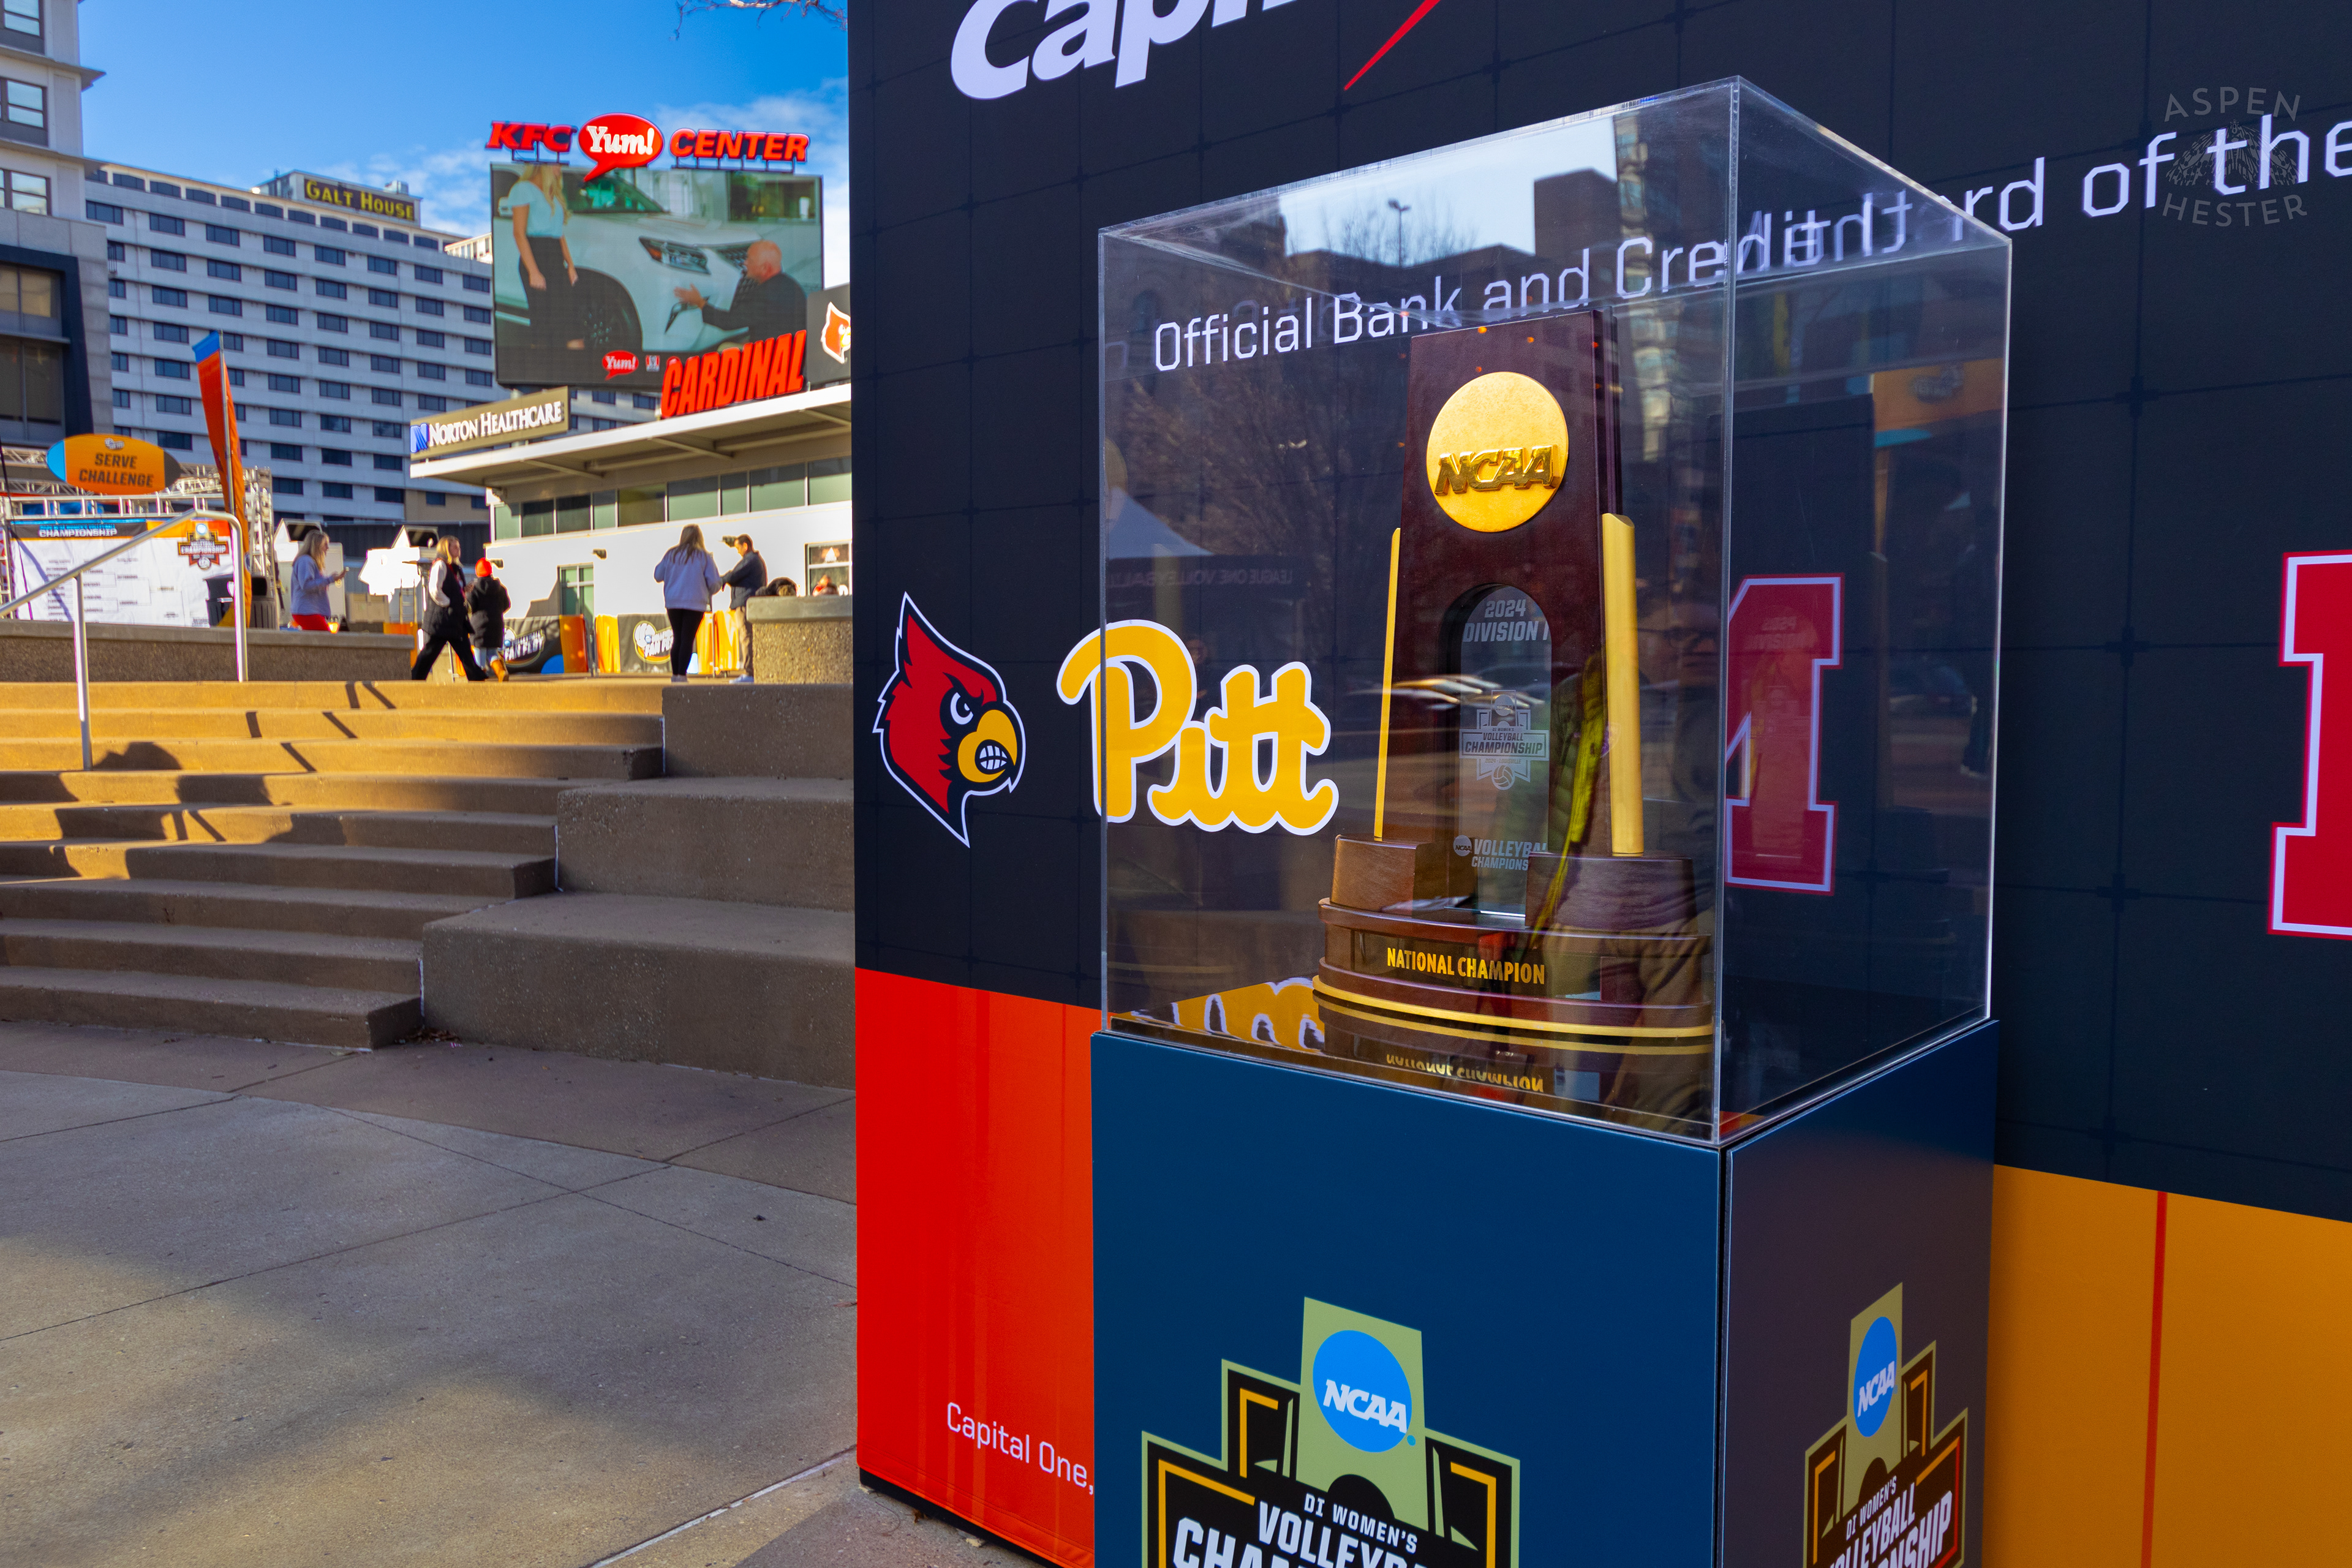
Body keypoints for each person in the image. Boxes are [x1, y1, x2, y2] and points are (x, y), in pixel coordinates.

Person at [673, 238, 806, 346]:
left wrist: (700, 302)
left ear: (765, 268)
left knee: (724, 350)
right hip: (791, 355)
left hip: (773, 362)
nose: (745, 263)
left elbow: (727, 322)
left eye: (750, 260)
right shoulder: (792, 285)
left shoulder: (765, 295)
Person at [510, 164, 582, 353]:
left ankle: (576, 374)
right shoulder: (523, 189)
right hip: (536, 256)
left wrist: (571, 265)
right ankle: (542, 375)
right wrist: (534, 272)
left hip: (555, 258)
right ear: (544, 165)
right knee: (542, 323)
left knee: (571, 321)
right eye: (557, 164)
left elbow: (559, 234)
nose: (560, 168)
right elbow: (519, 233)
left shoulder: (554, 194)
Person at [410, 537, 488, 682]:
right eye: (455, 547)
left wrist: (464, 590)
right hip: (443, 619)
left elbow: (450, 589)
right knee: (431, 651)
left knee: (464, 649)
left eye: (459, 547)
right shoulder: (440, 565)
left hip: (454, 619)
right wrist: (450, 603)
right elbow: (434, 590)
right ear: (446, 549)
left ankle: (476, 676)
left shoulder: (454, 568)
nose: (459, 550)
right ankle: (415, 677)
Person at [652, 524, 723, 684]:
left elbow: (658, 575)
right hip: (695, 603)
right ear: (700, 537)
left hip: (673, 602)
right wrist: (709, 590)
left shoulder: (671, 554)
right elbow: (714, 582)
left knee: (677, 637)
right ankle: (682, 676)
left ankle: (675, 674)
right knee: (687, 639)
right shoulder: (704, 557)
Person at [717, 533, 767, 684]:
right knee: (748, 637)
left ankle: (749, 673)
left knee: (746, 637)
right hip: (748, 603)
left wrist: (722, 580)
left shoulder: (751, 561)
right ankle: (751, 671)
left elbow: (734, 575)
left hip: (746, 604)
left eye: (739, 548)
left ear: (745, 546)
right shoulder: (754, 561)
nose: (738, 551)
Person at [467, 557, 513, 682]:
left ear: (477, 572)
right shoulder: (500, 588)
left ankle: (478, 679)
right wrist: (496, 613)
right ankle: (502, 672)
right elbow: (507, 605)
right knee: (492, 652)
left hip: (479, 627)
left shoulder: (474, 589)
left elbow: (470, 607)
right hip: (496, 625)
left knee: (479, 654)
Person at [288, 530, 342, 631]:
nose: (328, 548)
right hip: (307, 611)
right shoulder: (306, 561)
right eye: (325, 544)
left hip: (308, 611)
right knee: (325, 639)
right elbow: (307, 585)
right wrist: (330, 580)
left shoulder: (307, 561)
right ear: (317, 545)